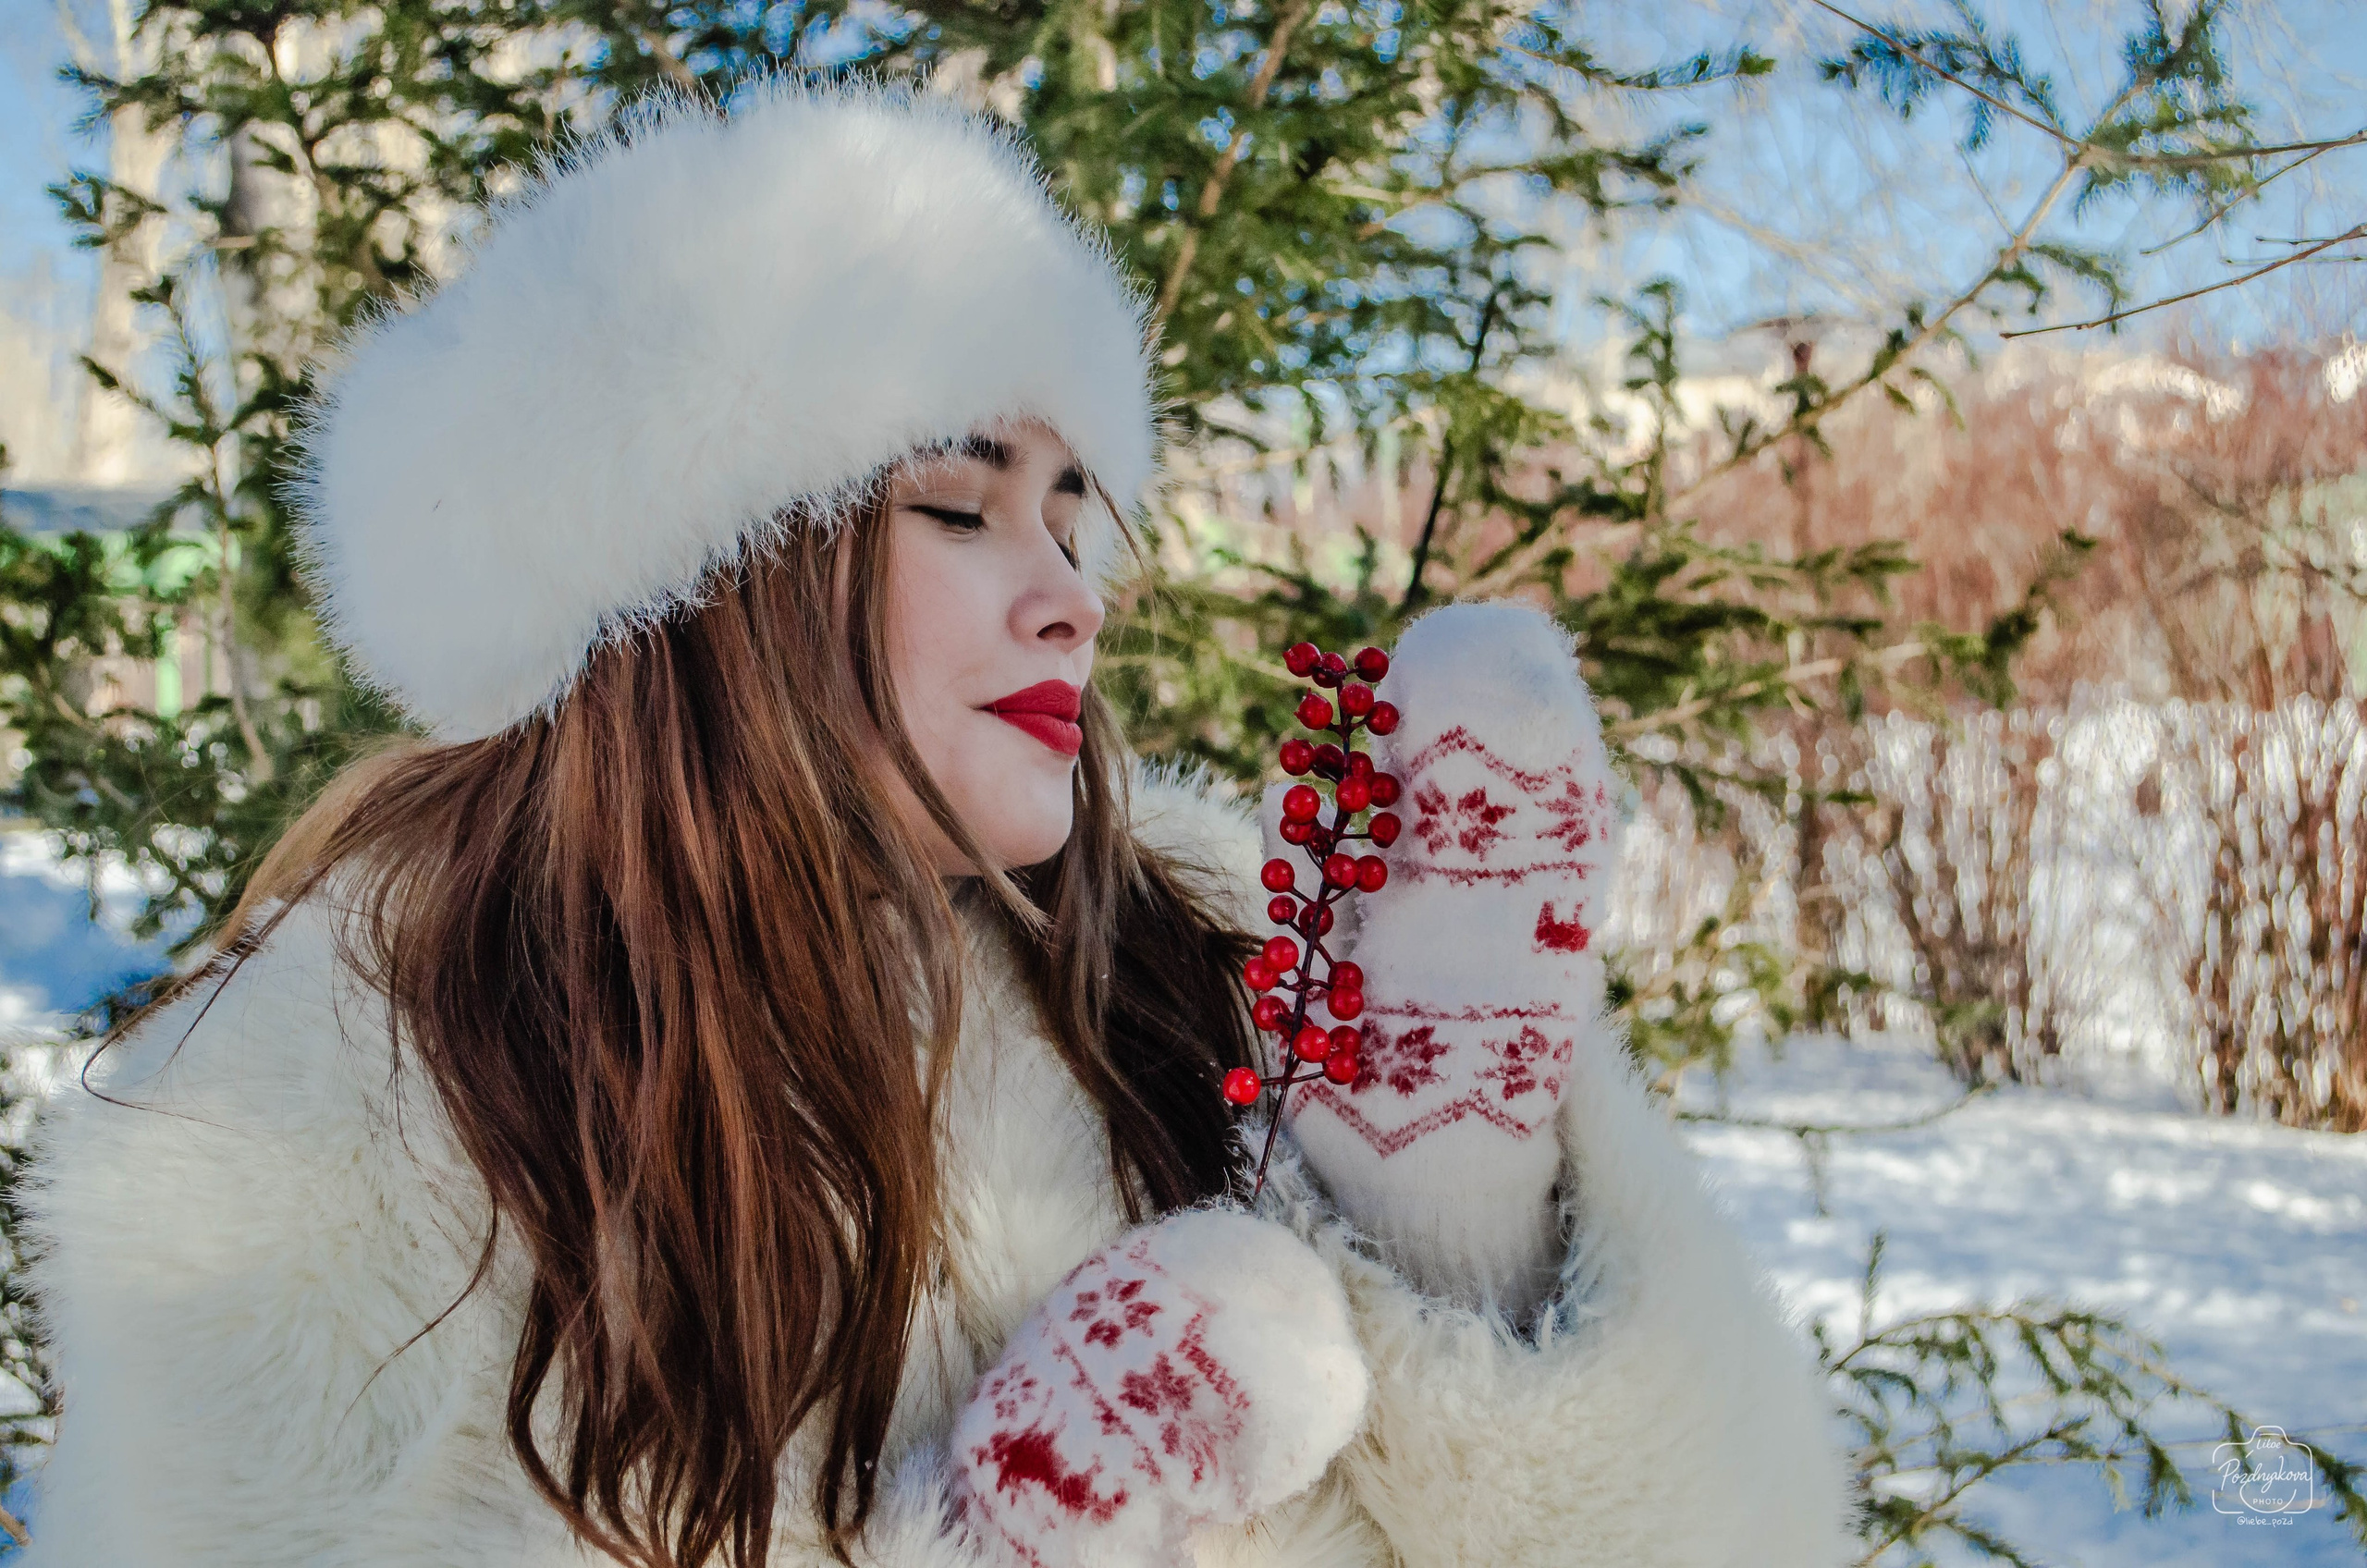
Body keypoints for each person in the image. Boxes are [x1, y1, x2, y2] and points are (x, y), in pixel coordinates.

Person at [18, 80, 1851, 1568]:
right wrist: (978, 1540)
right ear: (698, 581)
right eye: (960, 510)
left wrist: (1468, 1281)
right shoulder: (324, 1097)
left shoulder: (1203, 951)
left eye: (1071, 512)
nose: (1068, 593)